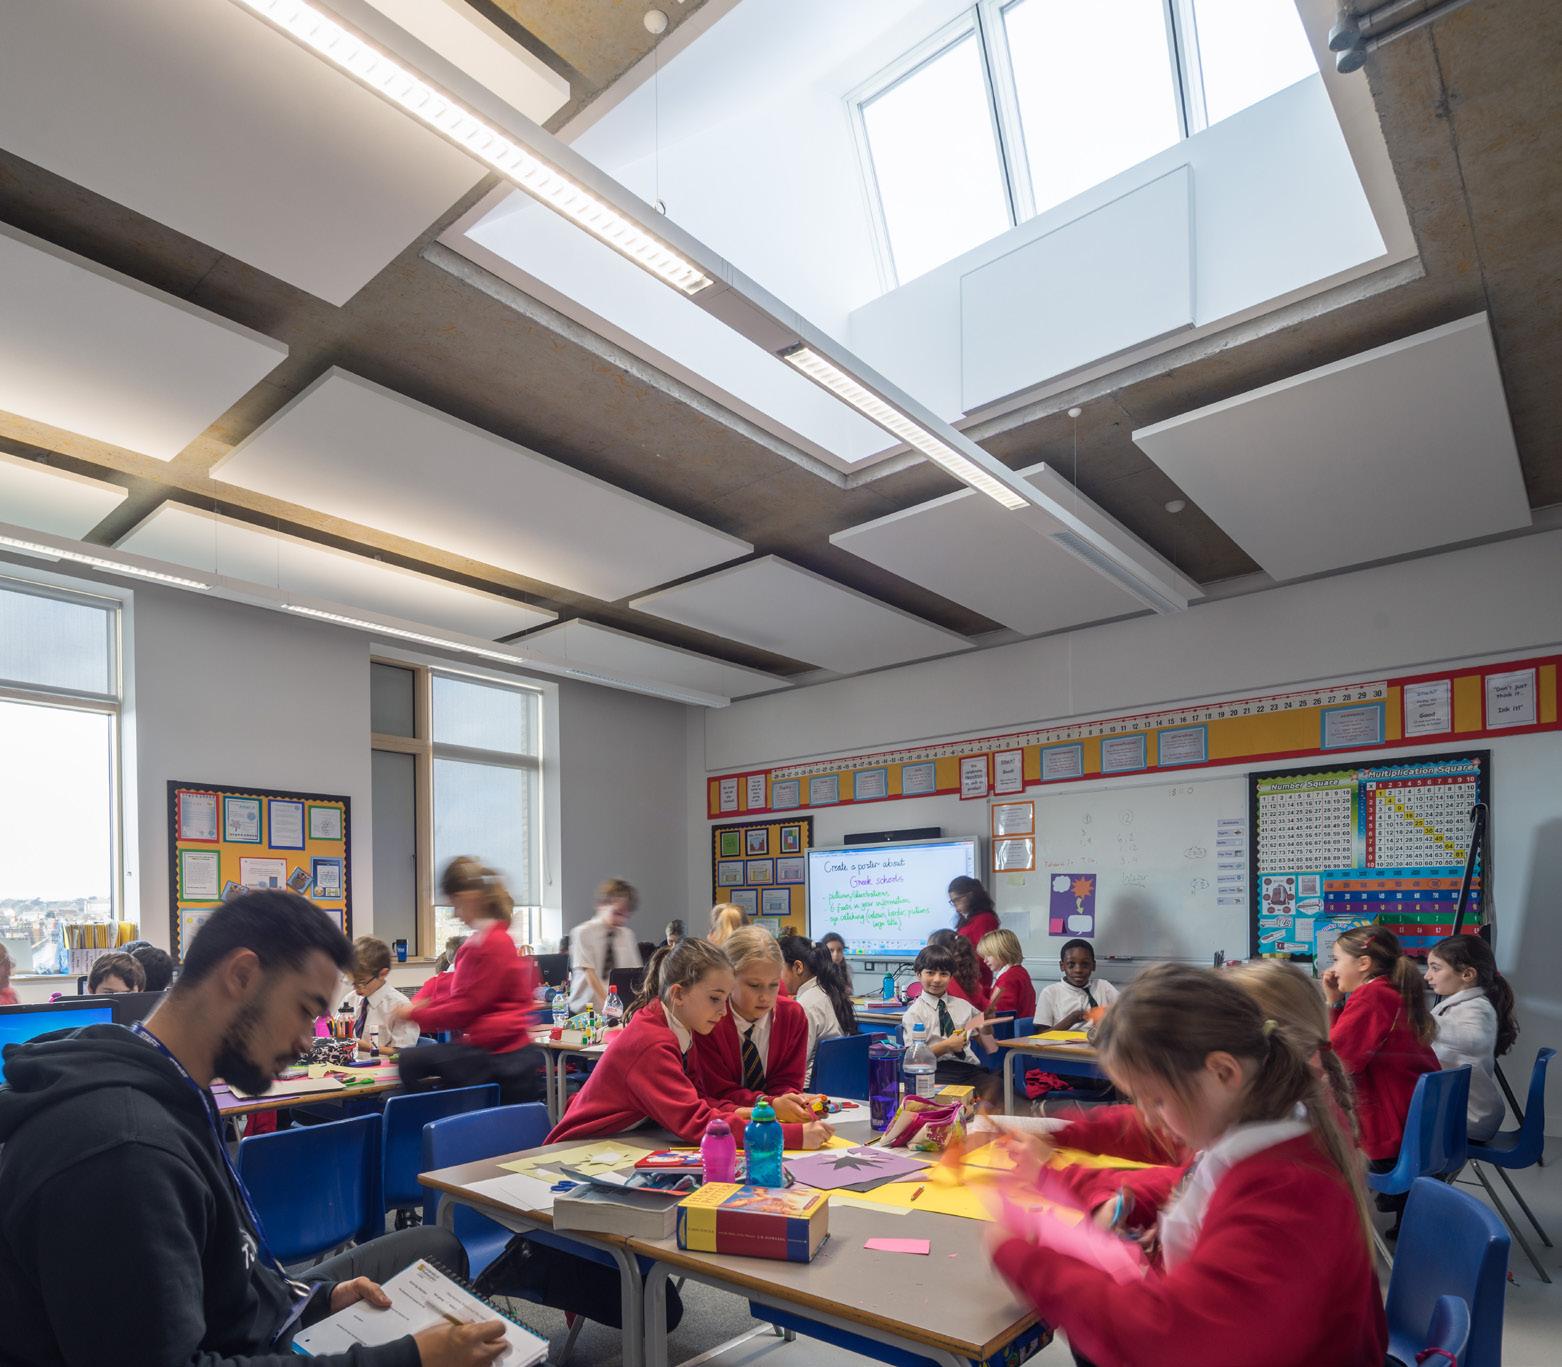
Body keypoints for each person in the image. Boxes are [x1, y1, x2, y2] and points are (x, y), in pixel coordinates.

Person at [0, 890, 506, 1367]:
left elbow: (226, 1269)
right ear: (242, 975)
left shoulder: (170, 1082)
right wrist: (408, 1360)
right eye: (305, 1010)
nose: (307, 1041)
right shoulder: (123, 1155)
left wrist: (319, 1300)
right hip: (229, 1346)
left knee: (433, 1247)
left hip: (243, 1317)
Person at [988, 964, 1384, 1367]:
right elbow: (1188, 1178)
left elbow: (1174, 1340)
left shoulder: (1289, 1190)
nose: (1149, 1117)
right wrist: (1083, 1177)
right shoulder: (1266, 1126)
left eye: (1156, 1100)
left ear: (1225, 1070)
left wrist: (1024, 1259)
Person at [546, 938, 833, 1150]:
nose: (723, 1012)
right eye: (715, 999)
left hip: (623, 1141)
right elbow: (695, 1121)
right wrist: (789, 1137)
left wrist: (737, 1111)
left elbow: (697, 1098)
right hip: (578, 1150)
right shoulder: (652, 1042)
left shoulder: (682, 1029)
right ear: (678, 994)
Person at [393, 859, 543, 1105]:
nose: (455, 914)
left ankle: (429, 1118)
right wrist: (424, 1003)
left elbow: (465, 1008)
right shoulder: (496, 939)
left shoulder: (486, 944)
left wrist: (415, 1014)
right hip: (510, 1054)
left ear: (469, 898)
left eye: (455, 905)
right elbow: (457, 989)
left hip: (499, 1058)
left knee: (409, 1062)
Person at [1323, 926, 1439, 1230]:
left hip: (1386, 1133)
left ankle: (1326, 1233)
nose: (1333, 968)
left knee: (1301, 1138)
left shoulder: (1372, 996)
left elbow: (1337, 1061)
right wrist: (1336, 1002)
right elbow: (1345, 1051)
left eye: (1336, 959)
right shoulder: (1389, 991)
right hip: (1412, 1127)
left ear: (1363, 963)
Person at [694, 927, 809, 1118]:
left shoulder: (792, 1016)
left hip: (774, 1121)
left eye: (774, 985)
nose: (765, 997)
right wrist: (770, 1103)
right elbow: (717, 1092)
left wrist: (791, 1101)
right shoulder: (708, 1020)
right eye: (754, 985)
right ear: (729, 979)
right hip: (723, 1121)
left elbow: (788, 1081)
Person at [1425, 933, 1517, 1142]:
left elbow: (1473, 1039)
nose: (1427, 976)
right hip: (1462, 1111)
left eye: (1435, 968)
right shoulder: (1459, 1005)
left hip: (1470, 1118)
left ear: (1467, 974)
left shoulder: (1478, 1007)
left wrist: (1421, 1020)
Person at [901, 942, 992, 1088]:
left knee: (998, 1088)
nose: (937, 979)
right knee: (950, 1096)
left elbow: (990, 1046)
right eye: (930, 973)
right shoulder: (914, 1014)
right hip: (934, 1071)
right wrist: (947, 1045)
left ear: (950, 977)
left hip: (969, 1070)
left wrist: (986, 1028)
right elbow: (914, 1058)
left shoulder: (964, 1006)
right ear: (918, 974)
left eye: (943, 974)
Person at [778, 933, 856, 1085]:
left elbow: (793, 1065)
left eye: (780, 968)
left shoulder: (806, 1005)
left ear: (798, 967)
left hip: (807, 1089)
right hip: (834, 1085)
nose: (777, 976)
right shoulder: (828, 991)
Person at [567, 878, 642, 1013]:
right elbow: (590, 975)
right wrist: (611, 1006)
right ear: (601, 905)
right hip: (585, 1011)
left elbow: (634, 973)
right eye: (617, 913)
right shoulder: (583, 932)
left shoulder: (627, 935)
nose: (621, 920)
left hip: (616, 1010)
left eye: (625, 916)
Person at [350, 936, 421, 1052]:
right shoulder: (351, 998)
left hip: (380, 1063)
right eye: (353, 981)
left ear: (383, 973)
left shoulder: (400, 1005)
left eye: (362, 982)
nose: (357, 989)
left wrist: (366, 1047)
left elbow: (401, 1053)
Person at [1035, 939, 1118, 1029]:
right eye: (1071, 964)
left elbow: (1126, 1010)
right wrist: (1072, 1019)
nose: (1078, 970)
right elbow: (1041, 1034)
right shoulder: (1050, 993)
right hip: (1063, 1038)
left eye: (1085, 964)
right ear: (1062, 966)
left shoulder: (1103, 987)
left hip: (1098, 1037)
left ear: (1093, 965)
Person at [948, 875, 1000, 989]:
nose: (955, 906)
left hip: (976, 978)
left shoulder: (985, 919)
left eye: (957, 900)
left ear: (971, 896)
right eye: (952, 902)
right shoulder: (967, 919)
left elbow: (984, 953)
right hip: (965, 975)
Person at [978, 929, 1035, 1021]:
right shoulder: (1019, 972)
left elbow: (1000, 1013)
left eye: (988, 955)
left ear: (1003, 951)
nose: (985, 960)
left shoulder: (1007, 979)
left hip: (1011, 1029)